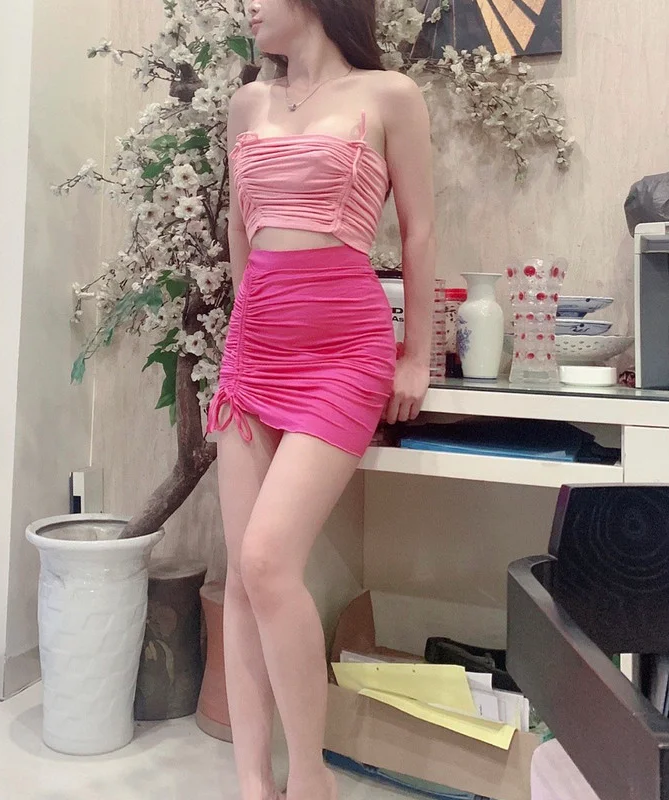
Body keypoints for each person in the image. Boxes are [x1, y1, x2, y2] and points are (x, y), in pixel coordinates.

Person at [206, 1, 436, 798]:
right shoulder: (248, 104)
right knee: (242, 576)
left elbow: (417, 232)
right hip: (252, 352)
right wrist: (249, 328)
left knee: (268, 560)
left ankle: (310, 778)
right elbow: (241, 232)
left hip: (343, 354)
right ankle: (251, 782)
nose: (245, 7)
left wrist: (416, 355)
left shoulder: (389, 94)